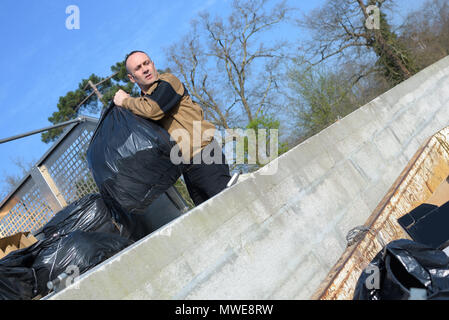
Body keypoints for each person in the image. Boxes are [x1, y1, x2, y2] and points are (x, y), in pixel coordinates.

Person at [113, 50, 231, 206]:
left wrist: (126, 101)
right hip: (186, 169)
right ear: (132, 78)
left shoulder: (167, 83)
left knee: (230, 206)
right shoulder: (140, 104)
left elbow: (153, 110)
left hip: (205, 156)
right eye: (138, 68)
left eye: (147, 63)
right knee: (212, 218)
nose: (145, 69)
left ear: (153, 64)